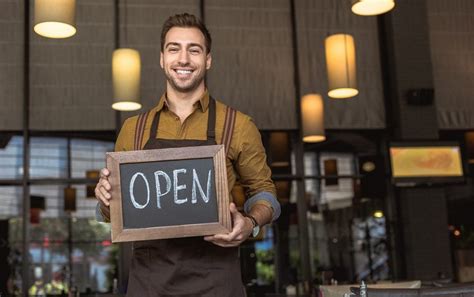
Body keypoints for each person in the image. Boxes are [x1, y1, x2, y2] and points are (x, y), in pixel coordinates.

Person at [95, 13, 280, 297]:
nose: (183, 59)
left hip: (217, 283)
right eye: (174, 49)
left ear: (208, 59)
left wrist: (251, 223)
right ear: (161, 58)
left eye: (194, 49)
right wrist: (105, 197)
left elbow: (266, 194)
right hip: (149, 285)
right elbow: (111, 214)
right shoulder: (133, 130)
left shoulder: (238, 125)